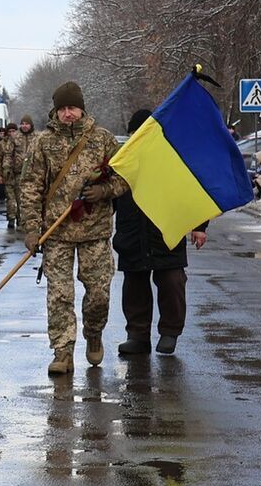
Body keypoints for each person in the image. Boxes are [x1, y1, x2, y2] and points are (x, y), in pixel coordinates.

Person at [19, 81, 124, 375]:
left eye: (72, 108)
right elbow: (30, 187)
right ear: (56, 110)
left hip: (96, 232)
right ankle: (63, 351)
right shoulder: (43, 142)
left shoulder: (102, 140)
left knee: (99, 295)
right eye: (63, 108)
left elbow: (126, 178)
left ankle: (94, 332)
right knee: (60, 295)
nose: (68, 114)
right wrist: (31, 229)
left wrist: (105, 191)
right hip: (57, 233)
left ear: (82, 109)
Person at [113, 107, 207, 355]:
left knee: (172, 283)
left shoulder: (172, 161)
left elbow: (192, 193)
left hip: (166, 232)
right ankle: (137, 335)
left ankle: (169, 332)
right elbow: (108, 196)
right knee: (134, 288)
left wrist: (199, 226)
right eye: (135, 134)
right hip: (131, 234)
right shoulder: (120, 162)